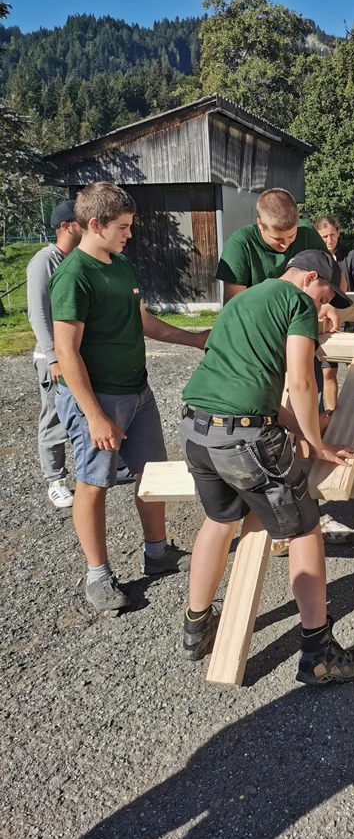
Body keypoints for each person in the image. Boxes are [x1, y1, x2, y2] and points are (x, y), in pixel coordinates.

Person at [179, 249, 354, 684]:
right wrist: (316, 445)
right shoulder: (297, 301)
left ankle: (196, 627)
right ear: (309, 278)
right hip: (242, 441)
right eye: (325, 297)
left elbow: (253, 393)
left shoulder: (242, 300)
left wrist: (302, 426)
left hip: (196, 430)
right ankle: (318, 653)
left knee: (219, 521)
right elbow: (301, 380)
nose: (322, 307)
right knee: (304, 529)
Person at [50, 183, 210, 615]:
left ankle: (157, 552)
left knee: (152, 474)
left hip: (137, 391)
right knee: (93, 483)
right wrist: (94, 416)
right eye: (122, 227)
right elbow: (66, 351)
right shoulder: (73, 275)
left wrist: (194, 339)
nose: (129, 234)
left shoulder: (120, 264)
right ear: (95, 224)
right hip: (99, 399)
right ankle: (98, 575)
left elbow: (143, 322)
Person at [217, 189, 353, 554]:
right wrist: (303, 315)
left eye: (292, 237)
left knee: (297, 421)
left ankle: (302, 500)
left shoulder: (306, 235)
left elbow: (332, 280)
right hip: (260, 350)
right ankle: (279, 515)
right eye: (278, 239)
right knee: (266, 426)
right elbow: (236, 305)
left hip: (291, 341)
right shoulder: (240, 245)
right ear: (259, 225)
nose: (286, 245)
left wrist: (327, 306)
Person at [27, 201, 82, 507]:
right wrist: (54, 358)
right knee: (54, 417)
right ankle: (55, 480)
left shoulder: (77, 258)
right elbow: (38, 314)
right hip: (53, 358)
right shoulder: (45, 261)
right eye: (81, 221)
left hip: (75, 354)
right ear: (66, 226)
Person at [313, 215, 354, 412]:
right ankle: (332, 414)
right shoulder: (314, 259)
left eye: (332, 235)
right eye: (324, 236)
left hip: (351, 323)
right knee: (328, 372)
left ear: (338, 233)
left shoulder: (351, 256)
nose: (330, 240)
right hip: (327, 324)